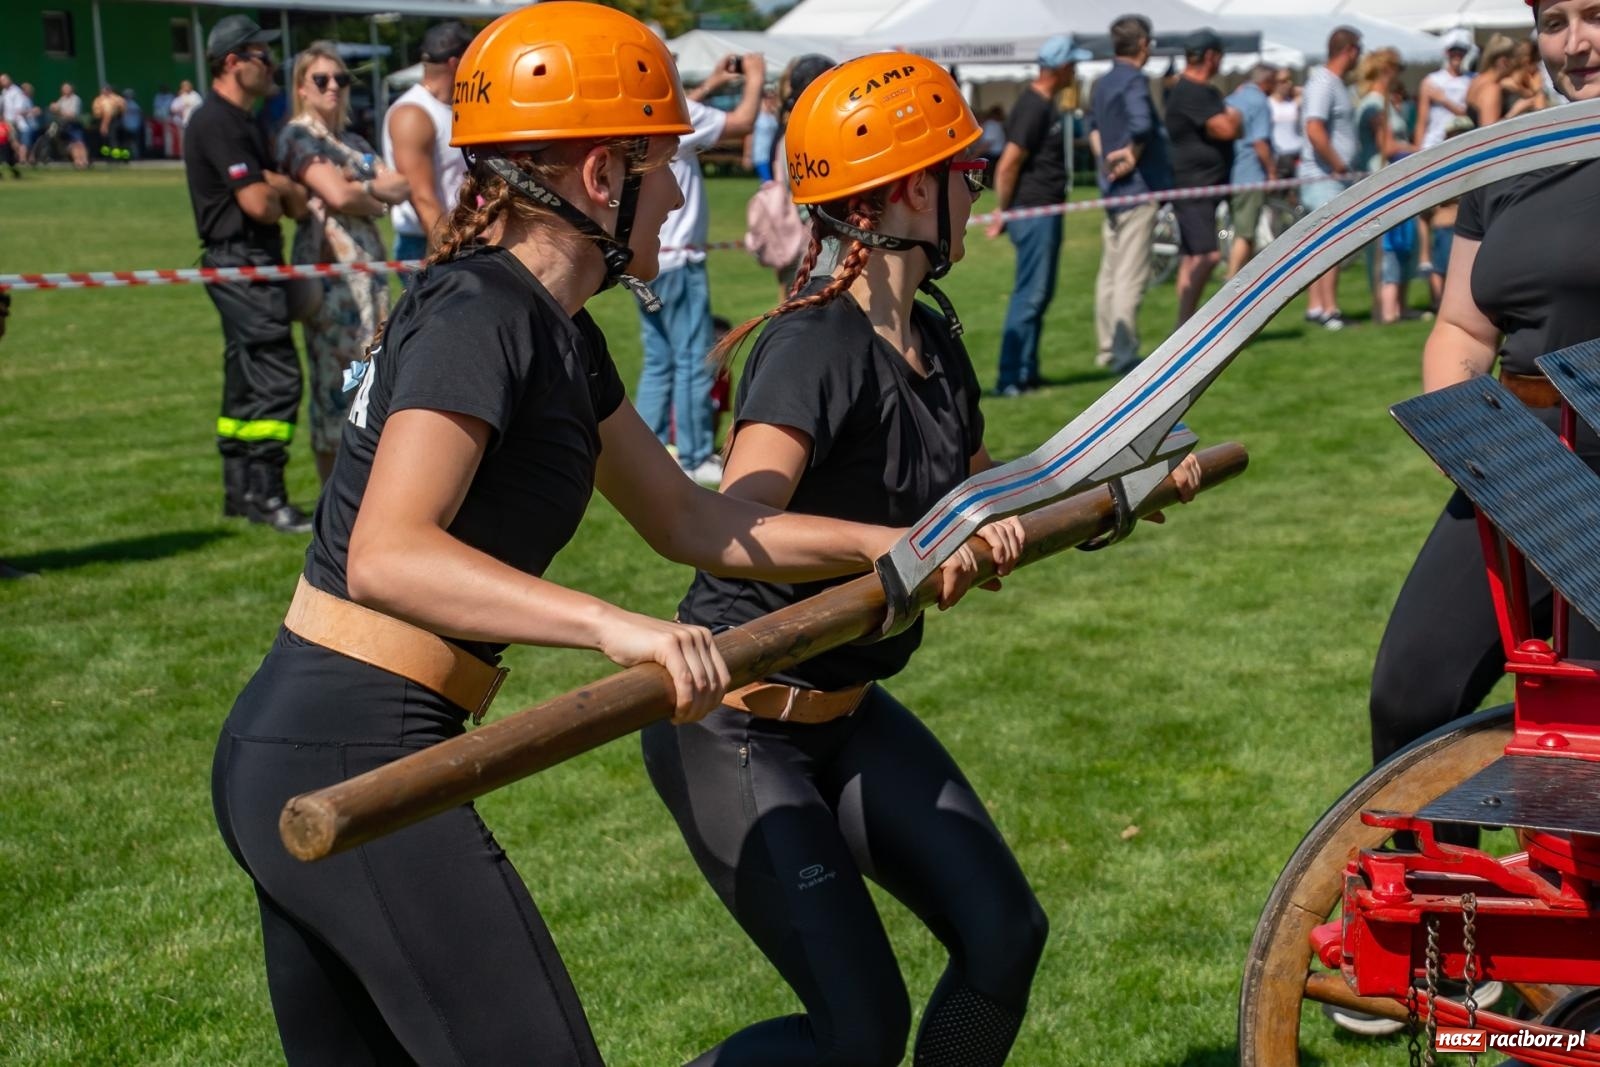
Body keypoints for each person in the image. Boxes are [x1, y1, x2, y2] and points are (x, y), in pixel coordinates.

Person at [210, 7, 923, 1062]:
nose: (679, 192)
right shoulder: (479, 312)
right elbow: (388, 551)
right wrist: (611, 627)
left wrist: (890, 541)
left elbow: (691, 517)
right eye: (665, 163)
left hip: (336, 743)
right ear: (602, 175)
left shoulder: (558, 333)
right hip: (343, 753)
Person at [645, 51, 1167, 1067]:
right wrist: (898, 547)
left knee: (1002, 935)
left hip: (848, 713)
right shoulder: (812, 345)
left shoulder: (931, 337)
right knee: (860, 1032)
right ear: (907, 190)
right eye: (962, 171)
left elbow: (987, 495)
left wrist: (1119, 487)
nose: (976, 188)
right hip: (739, 728)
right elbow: (740, 517)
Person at [184, 14, 313, 533]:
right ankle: (267, 496)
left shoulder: (246, 121)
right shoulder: (217, 121)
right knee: (277, 376)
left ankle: (240, 493)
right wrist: (281, 185)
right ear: (233, 63)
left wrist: (280, 188)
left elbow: (291, 202)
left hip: (247, 260)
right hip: (241, 261)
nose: (272, 65)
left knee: (244, 378)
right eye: (262, 55)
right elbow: (262, 203)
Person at [278, 41, 411, 484]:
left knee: (375, 384)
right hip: (332, 278)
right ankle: (331, 507)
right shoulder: (298, 136)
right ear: (302, 87)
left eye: (341, 78)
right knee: (336, 392)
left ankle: (366, 498)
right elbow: (338, 194)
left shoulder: (352, 141)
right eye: (322, 79)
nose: (334, 86)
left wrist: (360, 189)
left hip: (370, 277)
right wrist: (365, 192)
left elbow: (400, 185)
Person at [634, 49, 766, 486]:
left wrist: (710, 83)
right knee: (693, 359)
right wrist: (755, 77)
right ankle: (692, 454)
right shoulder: (681, 113)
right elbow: (742, 123)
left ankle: (649, 447)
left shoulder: (639, 109)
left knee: (659, 361)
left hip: (644, 258)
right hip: (681, 257)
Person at [988, 34, 1091, 396]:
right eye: (1073, 64)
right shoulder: (1033, 106)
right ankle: (1010, 377)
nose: (1075, 71)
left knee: (1039, 294)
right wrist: (1003, 212)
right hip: (1033, 212)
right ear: (1061, 67)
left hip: (1042, 209)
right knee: (1029, 295)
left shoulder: (1046, 103)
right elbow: (1008, 165)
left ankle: (1026, 372)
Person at [1088, 14, 1171, 373]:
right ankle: (1123, 353)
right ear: (1143, 45)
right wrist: (1129, 158)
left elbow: (1092, 128)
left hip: (1112, 189)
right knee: (1130, 276)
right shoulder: (1135, 80)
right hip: (1138, 189)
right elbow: (1143, 126)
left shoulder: (1102, 82)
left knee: (1109, 274)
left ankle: (1107, 348)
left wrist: (1106, 160)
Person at [1165, 28, 1240, 327]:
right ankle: (1186, 327)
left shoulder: (1202, 91)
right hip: (1194, 188)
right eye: (1220, 55)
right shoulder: (1191, 91)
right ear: (1210, 56)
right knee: (1208, 256)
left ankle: (1182, 326)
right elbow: (1227, 128)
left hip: (1204, 186)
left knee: (1192, 257)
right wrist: (1237, 117)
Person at [383, 20, 472, 263]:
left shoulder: (454, 108)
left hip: (460, 236)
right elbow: (423, 199)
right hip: (428, 242)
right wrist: (453, 253)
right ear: (456, 63)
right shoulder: (413, 114)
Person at [1298, 26, 1362, 330]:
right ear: (1349, 49)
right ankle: (1328, 310)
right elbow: (1314, 129)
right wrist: (1339, 166)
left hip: (1327, 176)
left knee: (1319, 247)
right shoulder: (1324, 82)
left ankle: (1316, 307)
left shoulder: (1331, 82)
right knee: (1330, 246)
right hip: (1323, 177)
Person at [1224, 63, 1276, 279]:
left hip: (1231, 170)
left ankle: (1246, 277)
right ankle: (1231, 278)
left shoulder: (1233, 97)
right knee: (1245, 232)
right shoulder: (1260, 102)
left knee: (1244, 227)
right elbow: (1260, 143)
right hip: (1251, 173)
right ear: (1265, 82)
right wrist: (1272, 172)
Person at [1417, 28, 1474, 150]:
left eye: (1461, 51)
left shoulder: (1472, 80)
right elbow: (1422, 121)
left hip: (1462, 141)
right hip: (1433, 143)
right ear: (1447, 52)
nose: (1457, 55)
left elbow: (1471, 116)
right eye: (1453, 50)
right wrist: (1417, 150)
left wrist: (1444, 100)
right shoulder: (1431, 81)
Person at [1269, 68, 1302, 179]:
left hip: (1297, 154)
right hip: (1279, 158)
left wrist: (1296, 91)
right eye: (1283, 81)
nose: (1288, 84)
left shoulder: (1293, 102)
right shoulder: (1268, 104)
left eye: (1290, 80)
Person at [49, 83, 88, 169]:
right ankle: (77, 161)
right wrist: (53, 109)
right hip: (65, 125)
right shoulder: (62, 100)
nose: (65, 91)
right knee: (72, 144)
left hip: (74, 124)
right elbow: (57, 111)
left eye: (67, 89)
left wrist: (59, 111)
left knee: (79, 143)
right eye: (64, 89)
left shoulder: (76, 99)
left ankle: (84, 161)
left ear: (71, 89)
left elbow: (72, 115)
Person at [746, 88, 779, 182]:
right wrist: (748, 155)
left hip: (773, 155)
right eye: (768, 98)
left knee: (775, 183)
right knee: (768, 183)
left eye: (772, 98)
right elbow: (749, 135)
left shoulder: (773, 115)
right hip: (761, 154)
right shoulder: (757, 116)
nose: (770, 100)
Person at [91, 84, 125, 162]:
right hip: (118, 120)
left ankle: (112, 158)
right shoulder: (118, 98)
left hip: (108, 121)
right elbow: (123, 111)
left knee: (110, 140)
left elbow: (107, 114)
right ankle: (118, 157)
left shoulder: (108, 100)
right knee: (116, 140)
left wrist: (104, 126)